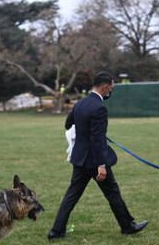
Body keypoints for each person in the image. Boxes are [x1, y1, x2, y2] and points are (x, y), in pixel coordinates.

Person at [48, 71, 148, 241]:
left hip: (79, 159)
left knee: (71, 195)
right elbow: (97, 139)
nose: (111, 91)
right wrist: (101, 165)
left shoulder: (80, 103)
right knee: (113, 193)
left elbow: (68, 124)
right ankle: (128, 226)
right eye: (111, 88)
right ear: (105, 87)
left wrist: (83, 132)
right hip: (95, 161)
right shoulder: (99, 108)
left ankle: (56, 232)